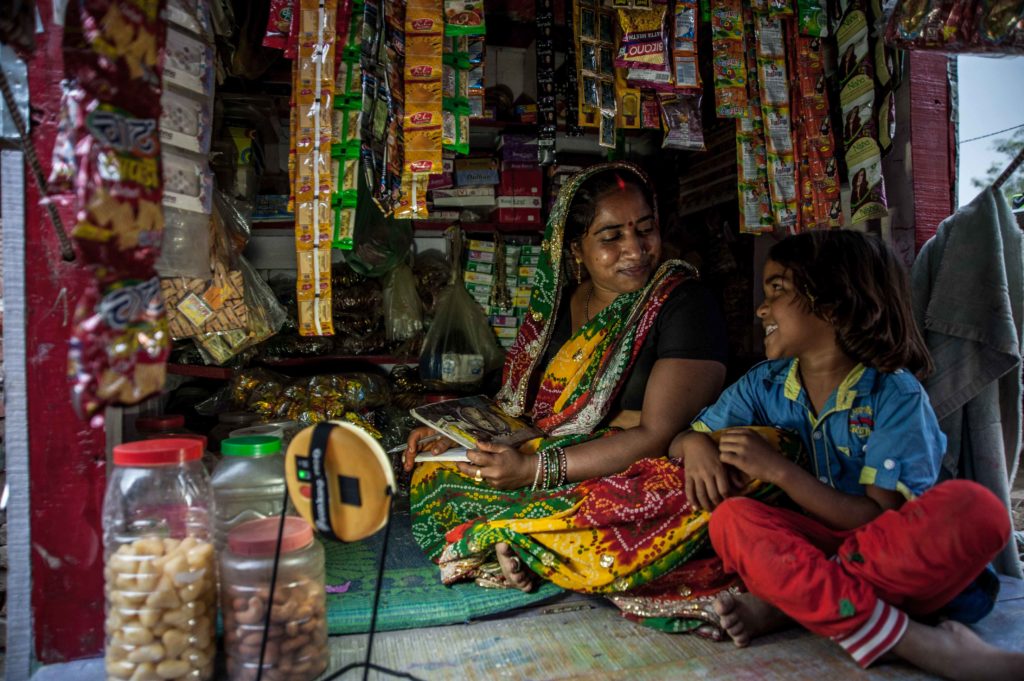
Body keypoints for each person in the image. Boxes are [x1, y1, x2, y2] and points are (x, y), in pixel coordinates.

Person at [404, 162, 778, 637]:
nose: (635, 250)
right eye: (611, 237)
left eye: (645, 230)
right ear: (575, 247)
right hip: (559, 455)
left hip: (641, 463)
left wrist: (532, 471)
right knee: (438, 471)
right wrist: (456, 434)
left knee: (664, 499)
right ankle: (529, 540)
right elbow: (526, 413)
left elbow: (656, 435)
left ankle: (523, 540)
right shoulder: (559, 304)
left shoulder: (683, 302)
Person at [671, 230, 1023, 679]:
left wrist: (779, 471)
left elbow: (875, 520)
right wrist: (698, 444)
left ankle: (796, 604)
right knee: (732, 520)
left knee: (979, 510)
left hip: (892, 560)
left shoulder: (894, 394)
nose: (762, 308)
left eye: (778, 290)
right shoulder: (765, 384)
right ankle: (914, 640)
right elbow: (679, 440)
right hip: (808, 550)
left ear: (833, 305)